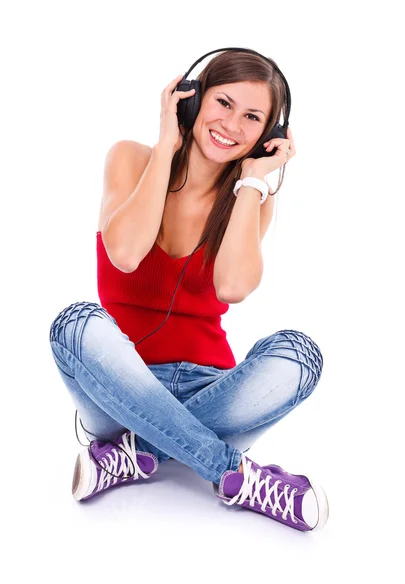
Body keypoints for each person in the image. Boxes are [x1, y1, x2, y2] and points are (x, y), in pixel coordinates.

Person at [49, 49, 329, 532]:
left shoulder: (253, 203)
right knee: (76, 324)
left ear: (269, 136)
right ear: (191, 101)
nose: (232, 125)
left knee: (300, 354)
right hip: (118, 386)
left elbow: (234, 287)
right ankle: (233, 474)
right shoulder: (132, 158)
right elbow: (126, 254)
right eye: (222, 102)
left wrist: (252, 184)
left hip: (210, 387)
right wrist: (166, 145)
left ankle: (134, 455)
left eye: (253, 118)